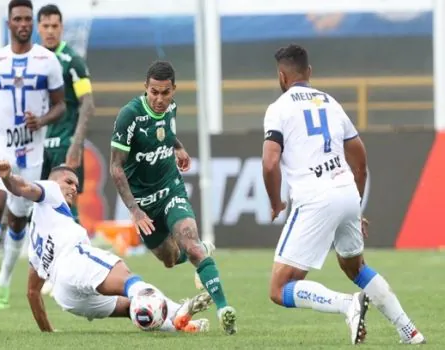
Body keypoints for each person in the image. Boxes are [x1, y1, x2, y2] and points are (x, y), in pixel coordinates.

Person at [262, 44, 425, 345]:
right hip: (347, 190)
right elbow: (360, 163)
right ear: (309, 72)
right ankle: (409, 330)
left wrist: (275, 202)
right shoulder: (331, 103)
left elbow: (271, 162)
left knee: (279, 288)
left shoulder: (279, 108)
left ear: (281, 76)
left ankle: (346, 304)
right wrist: (357, 206)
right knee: (355, 266)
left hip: (314, 197)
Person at [0, 159, 211, 333]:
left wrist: (48, 332)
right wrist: (8, 178)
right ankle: (178, 310)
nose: (73, 188)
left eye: (76, 186)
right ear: (53, 181)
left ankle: (180, 326)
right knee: (129, 280)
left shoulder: (36, 241)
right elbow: (22, 187)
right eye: (69, 182)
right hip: (74, 261)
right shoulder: (49, 189)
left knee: (129, 306)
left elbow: (32, 292)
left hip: (66, 297)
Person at [109, 60, 237, 335]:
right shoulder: (129, 116)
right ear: (146, 88)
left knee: (190, 245)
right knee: (169, 259)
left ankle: (224, 308)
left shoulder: (171, 109)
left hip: (170, 190)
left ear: (174, 90)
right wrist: (135, 210)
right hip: (143, 203)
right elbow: (116, 167)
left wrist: (178, 148)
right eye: (154, 92)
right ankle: (200, 252)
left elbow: (166, 133)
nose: (159, 99)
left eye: (165, 93)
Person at [0, 0, 66, 310]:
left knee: (18, 219)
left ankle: (5, 278)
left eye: (26, 19)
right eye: (17, 19)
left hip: (31, 150)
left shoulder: (48, 61)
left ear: (31, 23)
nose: (22, 23)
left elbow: (61, 106)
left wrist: (42, 120)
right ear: (9, 23)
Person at [37, 4, 95, 224]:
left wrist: (76, 144)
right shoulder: (34, 60)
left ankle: (79, 251)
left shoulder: (72, 62)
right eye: (46, 26)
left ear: (61, 28)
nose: (50, 30)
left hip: (64, 142)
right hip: (37, 145)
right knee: (37, 203)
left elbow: (88, 104)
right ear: (38, 28)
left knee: (67, 203)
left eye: (55, 26)